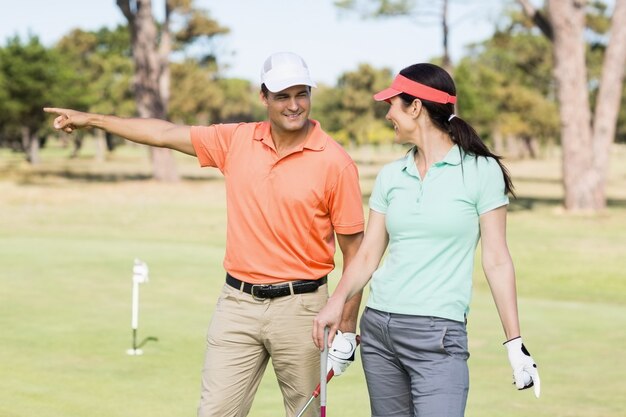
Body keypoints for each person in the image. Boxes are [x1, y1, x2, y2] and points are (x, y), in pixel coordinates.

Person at [45, 51, 365, 417]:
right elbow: (163, 133)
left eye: (301, 94)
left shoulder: (335, 162)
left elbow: (354, 253)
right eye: (282, 96)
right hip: (237, 306)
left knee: (303, 413)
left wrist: (345, 325)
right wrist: (92, 120)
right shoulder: (236, 141)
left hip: (303, 309)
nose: (294, 106)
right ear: (264, 98)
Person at [312, 63, 540, 417]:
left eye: (392, 104)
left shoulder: (481, 172)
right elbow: (369, 255)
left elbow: (496, 260)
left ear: (415, 107)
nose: (388, 113)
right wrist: (337, 306)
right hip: (379, 331)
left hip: (438, 336)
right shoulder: (391, 176)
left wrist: (515, 343)